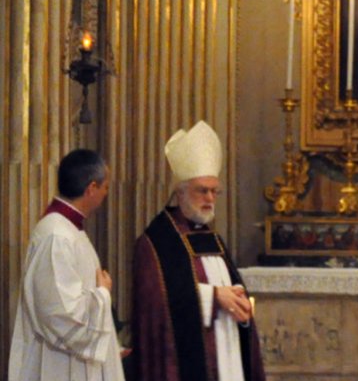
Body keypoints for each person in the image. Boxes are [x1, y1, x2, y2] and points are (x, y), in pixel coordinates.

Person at [131, 121, 265, 381]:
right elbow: (154, 306)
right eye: (202, 191)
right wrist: (214, 299)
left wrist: (243, 310)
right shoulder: (156, 243)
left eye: (215, 192)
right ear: (180, 193)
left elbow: (233, 293)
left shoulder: (210, 237)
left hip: (229, 359)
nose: (210, 199)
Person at [8, 149, 125, 381]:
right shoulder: (56, 236)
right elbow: (61, 314)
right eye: (105, 187)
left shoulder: (68, 230)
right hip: (61, 366)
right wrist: (102, 294)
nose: (106, 194)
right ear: (91, 189)